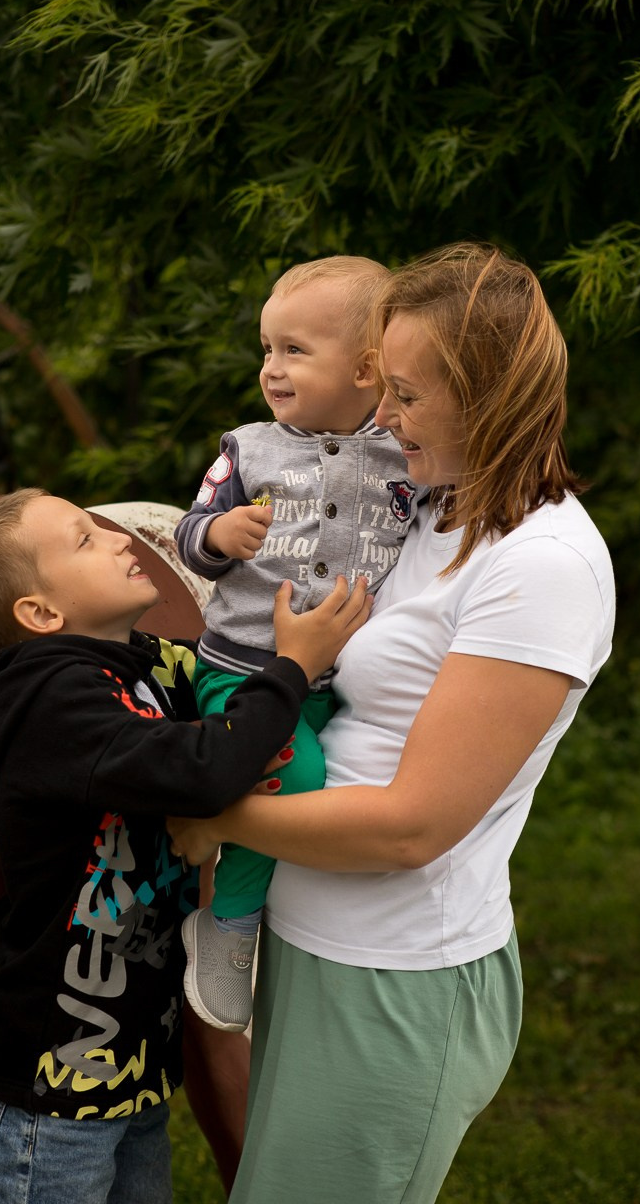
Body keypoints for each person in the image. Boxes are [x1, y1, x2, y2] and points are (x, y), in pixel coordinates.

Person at [168, 242, 616, 1203]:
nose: (381, 417)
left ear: (488, 392)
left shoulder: (541, 565)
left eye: (406, 395)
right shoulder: (432, 515)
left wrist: (212, 816)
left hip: (395, 975)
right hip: (316, 943)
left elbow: (412, 825)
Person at [0, 487, 371, 1204]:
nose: (118, 537)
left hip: (133, 1065)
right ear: (42, 614)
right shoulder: (50, 700)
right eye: (84, 539)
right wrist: (291, 671)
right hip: (51, 1081)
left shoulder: (150, 667)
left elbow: (223, 728)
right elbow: (201, 769)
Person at [174, 255, 422, 1031]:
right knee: (297, 770)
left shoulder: (401, 455)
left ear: (365, 369)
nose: (270, 369)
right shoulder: (248, 449)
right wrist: (220, 531)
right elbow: (188, 535)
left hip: (338, 677)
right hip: (246, 669)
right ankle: (229, 925)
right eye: (266, 349)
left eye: (293, 350)